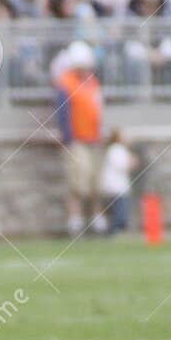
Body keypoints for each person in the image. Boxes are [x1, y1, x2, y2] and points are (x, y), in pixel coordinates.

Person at [55, 40, 104, 236]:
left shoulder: (92, 82)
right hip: (76, 140)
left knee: (95, 182)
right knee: (78, 182)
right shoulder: (66, 83)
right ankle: (74, 220)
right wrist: (68, 139)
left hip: (93, 138)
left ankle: (95, 218)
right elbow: (63, 114)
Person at [100, 128, 137, 234]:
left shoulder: (119, 149)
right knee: (119, 213)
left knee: (119, 212)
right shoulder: (116, 149)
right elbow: (121, 165)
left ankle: (115, 230)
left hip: (119, 187)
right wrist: (132, 162)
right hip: (116, 187)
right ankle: (112, 231)